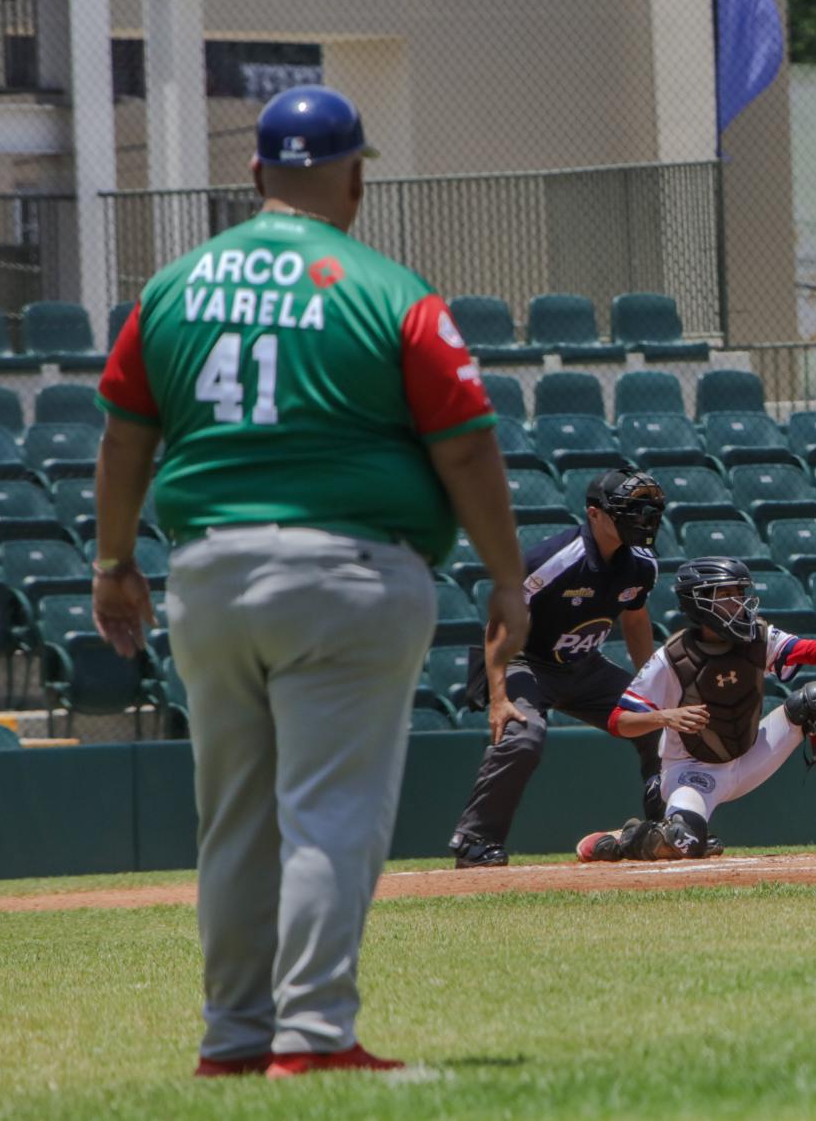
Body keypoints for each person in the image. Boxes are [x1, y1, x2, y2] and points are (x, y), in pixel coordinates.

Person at [90, 85, 529, 1080]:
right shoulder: (389, 291)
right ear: (356, 175)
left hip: (207, 572)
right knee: (328, 811)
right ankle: (315, 1035)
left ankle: (234, 1039)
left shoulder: (173, 288)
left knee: (235, 817)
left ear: (253, 176)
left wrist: (114, 563)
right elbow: (465, 450)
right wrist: (507, 579)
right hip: (349, 573)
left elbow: (125, 435)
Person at [572, 557, 816, 861]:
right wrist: (665, 717)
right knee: (683, 844)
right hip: (694, 773)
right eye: (726, 596)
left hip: (751, 753)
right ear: (700, 603)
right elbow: (620, 721)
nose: (738, 603)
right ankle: (625, 839)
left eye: (739, 593)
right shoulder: (672, 658)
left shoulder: (757, 635)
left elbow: (809, 650)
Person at [447, 467, 667, 868]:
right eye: (631, 509)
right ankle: (474, 842)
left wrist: (650, 686)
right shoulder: (554, 560)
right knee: (523, 737)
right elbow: (498, 623)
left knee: (660, 720)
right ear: (595, 513)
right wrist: (498, 697)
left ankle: (667, 827)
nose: (644, 518)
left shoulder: (642, 564)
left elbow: (635, 621)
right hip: (525, 661)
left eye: (648, 510)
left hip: (584, 666)